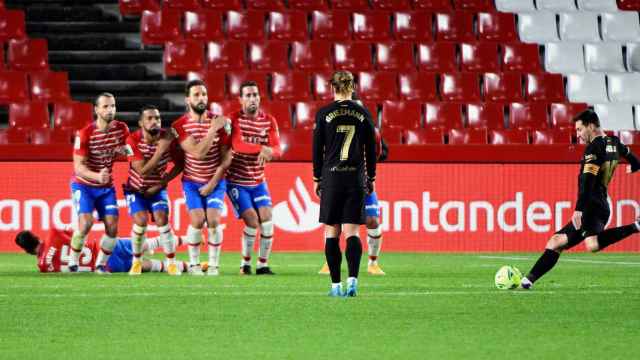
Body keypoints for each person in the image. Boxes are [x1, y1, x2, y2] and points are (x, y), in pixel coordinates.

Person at [521, 109, 640, 289]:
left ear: (591, 126)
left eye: (579, 129)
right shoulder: (614, 142)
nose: (578, 135)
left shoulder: (593, 148)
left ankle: (636, 226)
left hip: (591, 205)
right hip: (602, 204)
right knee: (557, 241)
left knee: (589, 244)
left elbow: (587, 181)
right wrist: (634, 166)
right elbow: (633, 158)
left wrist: (579, 209)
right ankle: (527, 281)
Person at [312, 71, 377, 297]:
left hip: (331, 177)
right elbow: (372, 149)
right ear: (352, 87)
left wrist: (316, 178)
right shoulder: (363, 113)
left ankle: (335, 286)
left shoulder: (324, 114)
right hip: (355, 178)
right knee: (352, 233)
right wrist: (371, 178)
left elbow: (317, 149)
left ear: (332, 88)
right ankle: (353, 282)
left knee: (331, 232)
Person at [171, 80, 231, 276]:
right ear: (187, 99)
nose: (201, 98)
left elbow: (225, 158)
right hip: (191, 181)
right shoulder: (179, 125)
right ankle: (195, 265)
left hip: (215, 180)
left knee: (213, 220)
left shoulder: (221, 122)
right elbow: (197, 153)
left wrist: (213, 183)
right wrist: (212, 129)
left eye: (204, 94)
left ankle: (214, 266)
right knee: (197, 221)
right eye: (196, 95)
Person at [69, 93, 129, 274]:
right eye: (105, 106)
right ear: (96, 110)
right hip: (84, 185)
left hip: (106, 188)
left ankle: (101, 265)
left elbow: (128, 150)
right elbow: (78, 168)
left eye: (113, 106)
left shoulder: (121, 128)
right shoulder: (85, 133)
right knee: (86, 223)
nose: (110, 110)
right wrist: (97, 176)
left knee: (112, 226)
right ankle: (72, 261)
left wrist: (124, 151)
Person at [226, 81, 282, 275]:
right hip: (236, 181)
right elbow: (238, 145)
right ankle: (245, 264)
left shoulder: (269, 120)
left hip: (258, 181)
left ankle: (263, 265)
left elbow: (278, 149)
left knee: (267, 219)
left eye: (255, 95)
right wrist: (262, 149)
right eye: (248, 95)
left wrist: (270, 151)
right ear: (240, 100)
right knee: (252, 220)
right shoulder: (233, 119)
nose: (252, 99)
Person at [319, 126, 388, 276]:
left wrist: (369, 174)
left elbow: (380, 151)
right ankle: (329, 262)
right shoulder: (334, 128)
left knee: (372, 220)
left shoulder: (368, 129)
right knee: (334, 222)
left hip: (361, 182)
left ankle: (373, 263)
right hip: (338, 181)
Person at [124, 105, 184, 275]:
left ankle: (171, 263)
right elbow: (142, 170)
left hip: (157, 189)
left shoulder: (168, 138)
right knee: (141, 221)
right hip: (135, 189)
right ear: (140, 122)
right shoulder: (132, 140)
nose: (154, 121)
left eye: (157, 118)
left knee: (162, 219)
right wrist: (161, 149)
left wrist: (161, 183)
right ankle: (136, 262)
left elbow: (180, 164)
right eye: (149, 118)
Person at [15, 229, 189, 274]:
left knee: (149, 266)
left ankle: (187, 266)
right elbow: (77, 235)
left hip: (107, 266)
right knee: (147, 244)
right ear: (35, 236)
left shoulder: (43, 267)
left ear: (26, 250)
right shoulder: (53, 234)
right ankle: (189, 239)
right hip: (102, 249)